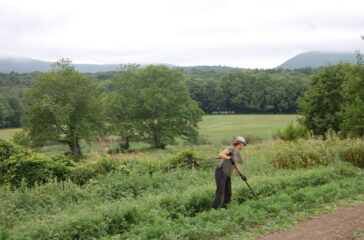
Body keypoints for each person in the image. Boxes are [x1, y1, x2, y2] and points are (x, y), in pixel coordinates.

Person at [211, 136, 247, 209]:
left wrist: (241, 175)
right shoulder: (231, 148)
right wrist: (229, 158)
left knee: (228, 193)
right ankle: (212, 210)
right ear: (240, 143)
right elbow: (220, 154)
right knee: (220, 193)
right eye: (243, 144)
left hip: (227, 173)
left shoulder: (237, 153)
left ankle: (224, 209)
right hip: (221, 171)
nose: (243, 146)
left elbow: (234, 166)